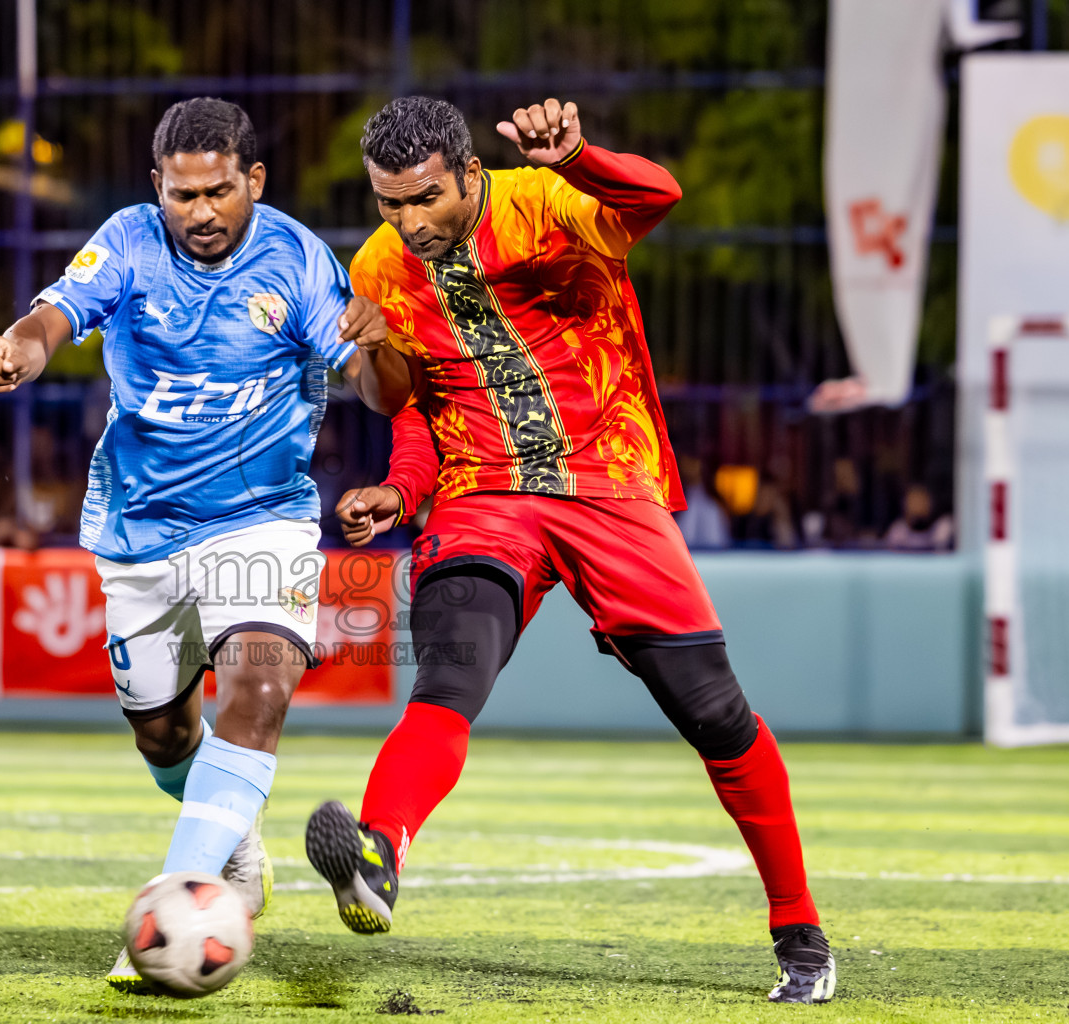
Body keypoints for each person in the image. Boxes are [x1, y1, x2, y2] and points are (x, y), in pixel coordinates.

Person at [303, 96, 835, 1005]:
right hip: (485, 496)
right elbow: (409, 404)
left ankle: (802, 936)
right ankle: (380, 851)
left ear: (469, 172)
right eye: (391, 204)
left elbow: (656, 196)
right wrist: (399, 486)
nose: (411, 223)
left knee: (714, 714)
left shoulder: (548, 200)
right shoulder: (381, 266)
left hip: (609, 484)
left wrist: (579, 156)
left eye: (425, 199)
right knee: (449, 674)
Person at [0, 97, 411, 992]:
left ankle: (177, 908)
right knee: (166, 737)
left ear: (252, 180)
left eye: (218, 191)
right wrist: (20, 348)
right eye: (182, 195)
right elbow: (56, 314)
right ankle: (232, 845)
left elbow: (380, 391)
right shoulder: (130, 241)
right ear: (158, 189)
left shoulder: (295, 262)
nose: (200, 212)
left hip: (262, 520)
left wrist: (381, 347)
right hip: (140, 528)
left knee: (256, 689)